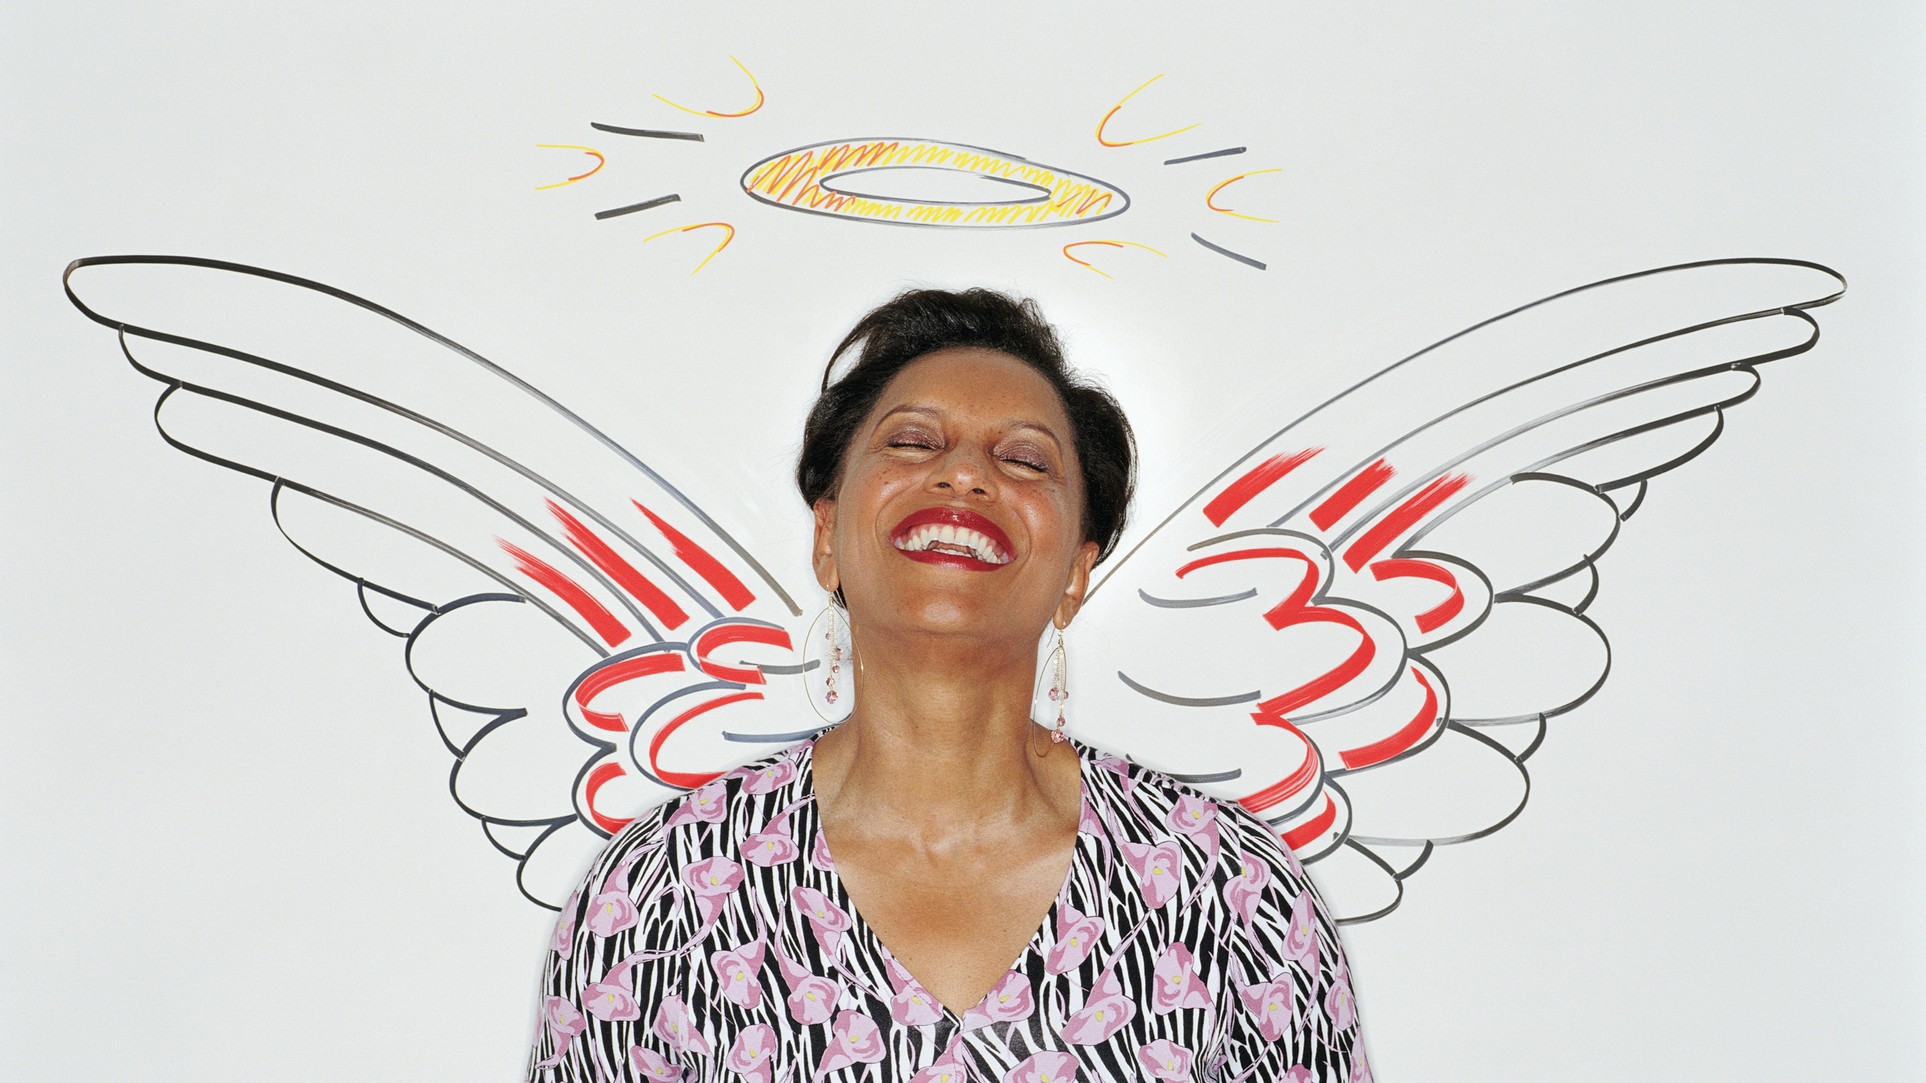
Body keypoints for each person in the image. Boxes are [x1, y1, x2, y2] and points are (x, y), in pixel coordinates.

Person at [526, 288, 1366, 1081]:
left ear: (1076, 574)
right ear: (827, 538)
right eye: (912, 443)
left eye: (1024, 458)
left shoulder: (1235, 896)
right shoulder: (656, 897)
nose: (965, 473)